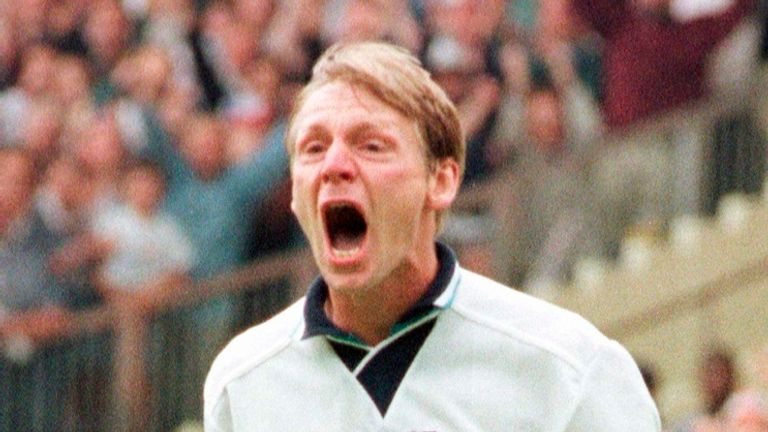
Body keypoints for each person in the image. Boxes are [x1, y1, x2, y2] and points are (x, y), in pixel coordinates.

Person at [204, 41, 660, 431]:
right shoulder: (241, 384)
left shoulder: (569, 369)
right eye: (314, 148)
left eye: (371, 145)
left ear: (441, 181)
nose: (334, 166)